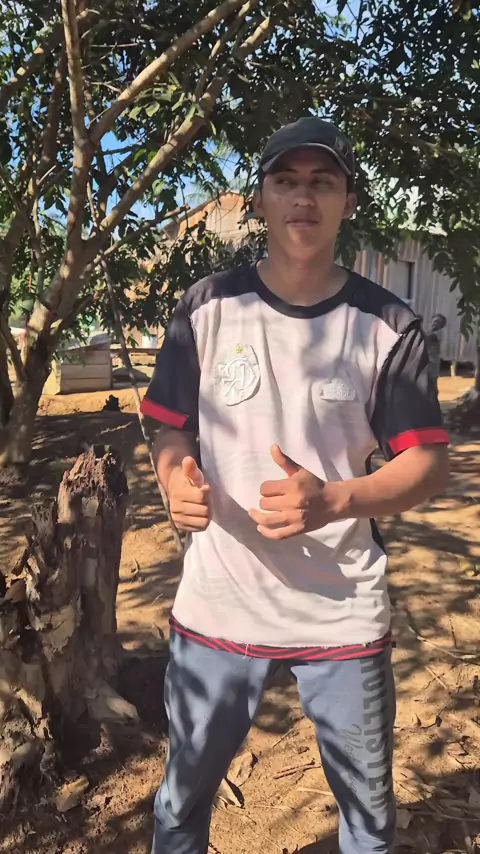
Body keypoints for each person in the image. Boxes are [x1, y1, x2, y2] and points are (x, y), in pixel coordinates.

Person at [141, 117, 450, 854]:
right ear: (260, 199)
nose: (303, 198)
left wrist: (336, 499)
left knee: (369, 825)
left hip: (341, 615)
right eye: (285, 181)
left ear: (348, 201)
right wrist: (172, 478)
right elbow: (168, 426)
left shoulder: (387, 325)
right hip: (219, 606)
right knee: (181, 804)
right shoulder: (207, 307)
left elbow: (427, 463)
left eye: (322, 182)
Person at [425, 313, 447, 391]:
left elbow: (426, 337)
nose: (435, 323)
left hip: (432, 363)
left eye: (437, 322)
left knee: (431, 384)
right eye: (434, 321)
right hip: (426, 362)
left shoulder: (439, 333)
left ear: (441, 325)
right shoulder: (429, 332)